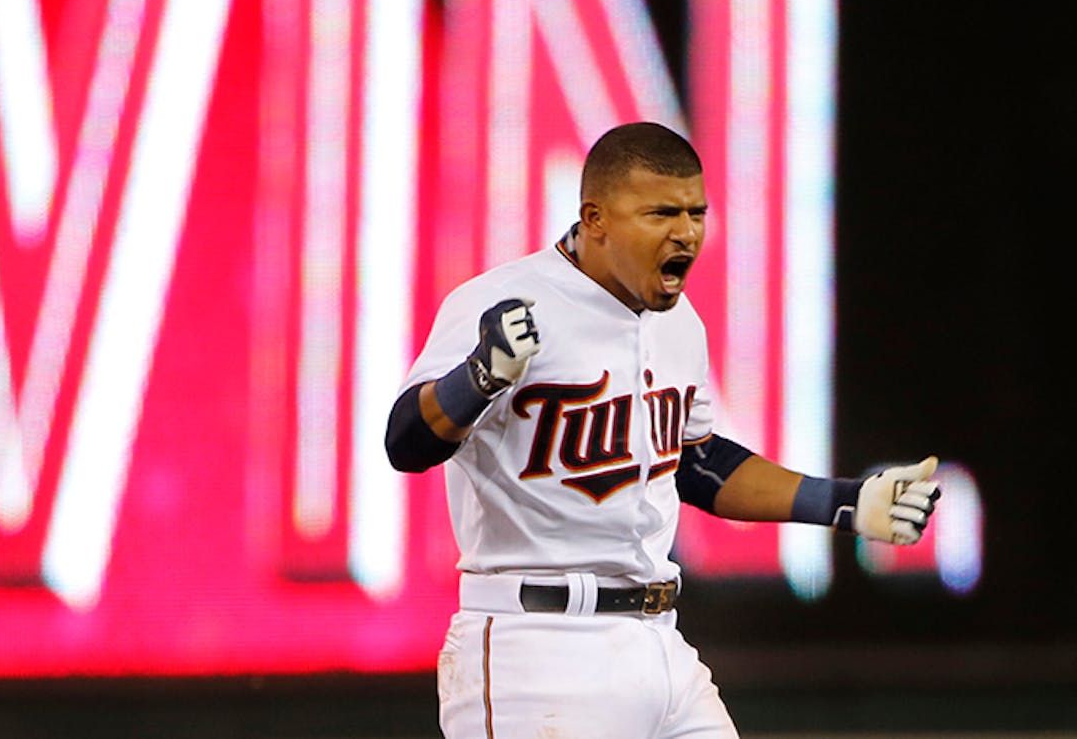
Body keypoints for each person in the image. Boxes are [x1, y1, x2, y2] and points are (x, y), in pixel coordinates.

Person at [385, 121, 940, 739]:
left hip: (659, 639)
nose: (686, 232)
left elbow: (696, 463)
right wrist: (479, 377)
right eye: (660, 213)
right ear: (594, 217)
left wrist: (844, 502)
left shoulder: (680, 324)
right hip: (535, 645)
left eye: (695, 212)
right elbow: (406, 442)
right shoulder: (505, 300)